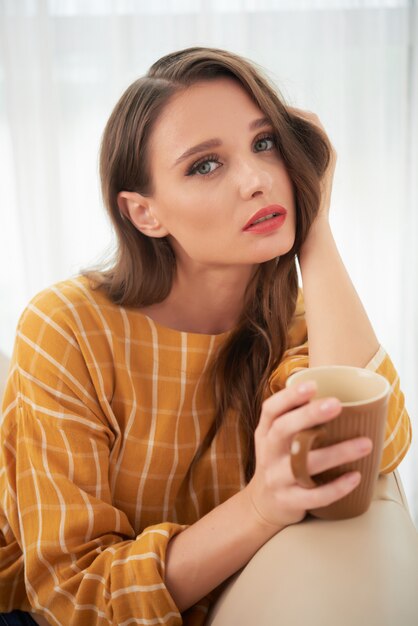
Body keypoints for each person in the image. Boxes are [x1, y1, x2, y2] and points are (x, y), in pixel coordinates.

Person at [0, 46, 412, 626]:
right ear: (144, 214)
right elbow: (69, 595)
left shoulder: (298, 320)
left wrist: (315, 224)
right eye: (204, 165)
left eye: (266, 143)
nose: (257, 180)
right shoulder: (66, 327)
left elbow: (374, 446)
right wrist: (258, 510)